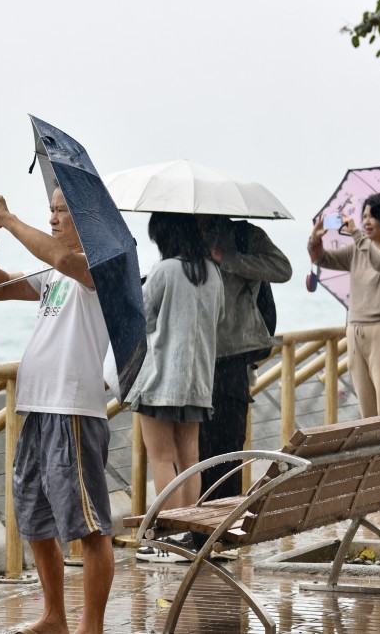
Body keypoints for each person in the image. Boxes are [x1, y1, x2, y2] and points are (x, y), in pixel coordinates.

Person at [0, 185, 113, 634]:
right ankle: (54, 617)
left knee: (89, 527)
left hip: (74, 409)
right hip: (38, 406)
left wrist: (8, 220)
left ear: (86, 216)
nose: (53, 219)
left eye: (62, 211)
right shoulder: (55, 274)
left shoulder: (102, 265)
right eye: (50, 210)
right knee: (33, 516)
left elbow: (68, 261)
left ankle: (92, 627)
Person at [126, 213, 224, 564]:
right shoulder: (213, 273)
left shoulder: (164, 271)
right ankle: (187, 533)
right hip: (197, 381)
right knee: (190, 460)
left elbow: (142, 319)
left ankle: (166, 536)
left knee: (162, 458)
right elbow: (220, 318)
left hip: (160, 381)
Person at [196, 215, 292, 507]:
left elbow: (282, 269)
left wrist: (228, 258)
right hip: (192, 354)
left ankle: (224, 523)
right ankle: (194, 523)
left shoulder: (243, 234)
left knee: (228, 447)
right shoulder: (177, 229)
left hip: (233, 356)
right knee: (194, 450)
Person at [308, 192, 380, 418]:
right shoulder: (358, 249)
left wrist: (356, 234)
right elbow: (322, 259)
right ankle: (375, 454)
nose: (365, 222)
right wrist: (315, 239)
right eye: (364, 216)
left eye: (372, 216)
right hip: (356, 331)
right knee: (368, 412)